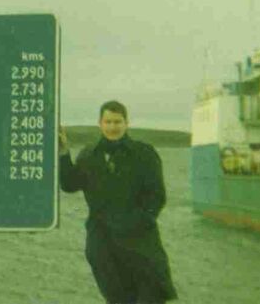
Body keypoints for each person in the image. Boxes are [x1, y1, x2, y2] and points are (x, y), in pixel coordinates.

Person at [59, 100, 177, 304]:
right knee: (117, 299)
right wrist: (63, 153)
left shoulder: (144, 154)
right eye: (108, 122)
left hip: (140, 241)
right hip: (103, 242)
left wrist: (136, 222)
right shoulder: (89, 154)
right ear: (100, 123)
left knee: (151, 295)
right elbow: (70, 185)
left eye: (117, 122)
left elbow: (157, 196)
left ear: (126, 123)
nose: (113, 127)